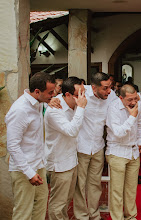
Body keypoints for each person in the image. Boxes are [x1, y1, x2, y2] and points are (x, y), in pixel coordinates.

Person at [5, 72, 55, 220]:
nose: (53, 95)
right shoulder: (20, 110)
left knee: (39, 208)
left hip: (38, 164)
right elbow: (12, 145)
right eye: (50, 93)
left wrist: (50, 101)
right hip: (24, 169)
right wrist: (29, 172)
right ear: (37, 91)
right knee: (23, 213)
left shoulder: (38, 102)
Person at [74, 72, 117, 220]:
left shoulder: (112, 96)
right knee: (80, 185)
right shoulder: (81, 91)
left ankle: (94, 214)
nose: (109, 91)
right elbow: (62, 97)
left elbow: (121, 106)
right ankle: (81, 216)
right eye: (105, 88)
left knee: (95, 184)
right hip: (81, 146)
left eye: (110, 87)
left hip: (98, 146)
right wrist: (53, 101)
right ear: (93, 87)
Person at [45, 77, 87, 220]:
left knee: (67, 200)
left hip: (72, 160)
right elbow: (71, 131)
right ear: (67, 95)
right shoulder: (54, 110)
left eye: (84, 93)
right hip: (59, 162)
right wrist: (81, 107)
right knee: (58, 204)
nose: (83, 98)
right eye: (79, 95)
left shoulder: (73, 102)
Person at [106, 84, 141, 220]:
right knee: (117, 190)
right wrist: (132, 117)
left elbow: (139, 125)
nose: (134, 102)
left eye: (135, 98)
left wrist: (140, 141)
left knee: (131, 189)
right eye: (130, 100)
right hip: (117, 152)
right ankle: (117, 218)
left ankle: (131, 216)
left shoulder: (138, 104)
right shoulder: (113, 108)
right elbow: (118, 133)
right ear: (121, 98)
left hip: (133, 151)